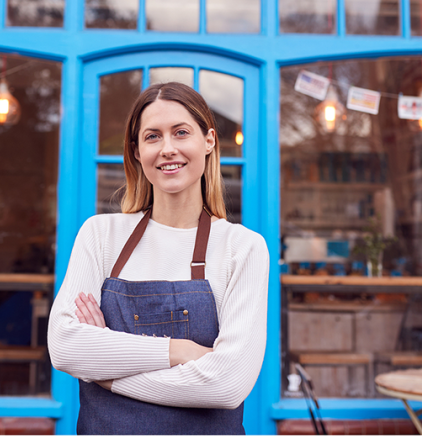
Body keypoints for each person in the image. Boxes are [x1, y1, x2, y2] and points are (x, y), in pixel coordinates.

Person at [47, 82, 269, 435]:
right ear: (136, 151)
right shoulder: (101, 235)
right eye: (152, 137)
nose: (167, 149)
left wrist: (109, 377)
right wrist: (181, 350)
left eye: (181, 133)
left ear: (208, 140)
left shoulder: (242, 247)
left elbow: (227, 384)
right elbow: (65, 346)